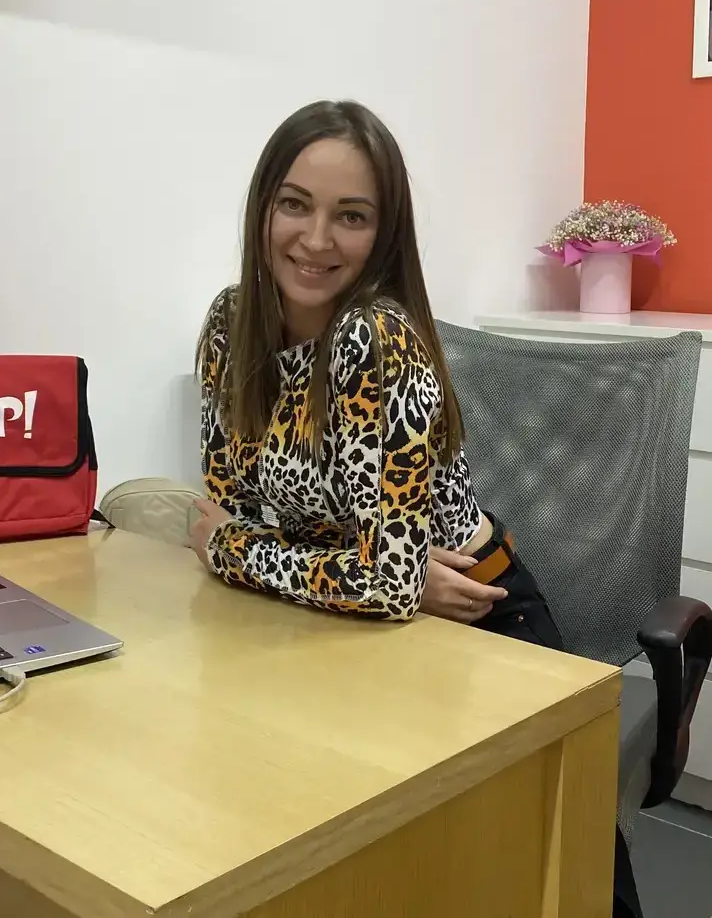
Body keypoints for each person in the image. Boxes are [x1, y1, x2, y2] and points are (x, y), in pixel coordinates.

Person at [187, 98, 643, 918]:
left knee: (563, 882)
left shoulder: (376, 338)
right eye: (295, 204)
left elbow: (246, 544)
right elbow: (237, 508)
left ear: (383, 233)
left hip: (483, 622)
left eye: (350, 216)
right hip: (347, 628)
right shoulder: (232, 324)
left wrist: (242, 555)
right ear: (263, 207)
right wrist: (362, 571)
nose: (316, 239)